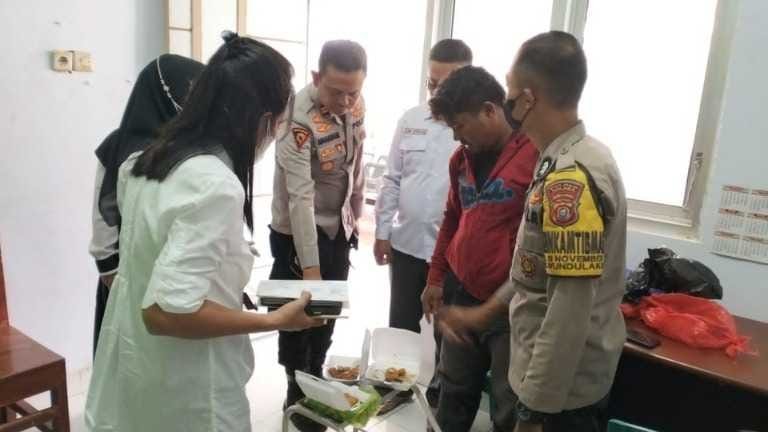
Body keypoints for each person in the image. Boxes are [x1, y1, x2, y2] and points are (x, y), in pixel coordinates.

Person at [85, 33, 323, 432]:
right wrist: (275, 320)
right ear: (262, 118)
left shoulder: (146, 162)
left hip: (139, 364)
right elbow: (164, 311)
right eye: (280, 120)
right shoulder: (215, 184)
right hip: (193, 382)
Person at [439, 31, 628, 432]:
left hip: (560, 401)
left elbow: (568, 311)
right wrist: (482, 314)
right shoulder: (561, 159)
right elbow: (534, 274)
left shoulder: (571, 180)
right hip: (550, 382)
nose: (507, 102)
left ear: (527, 99)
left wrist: (534, 411)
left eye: (509, 91)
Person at [425, 66, 539, 432]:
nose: (458, 137)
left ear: (490, 110)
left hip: (510, 304)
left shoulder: (536, 156)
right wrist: (435, 278)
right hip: (460, 294)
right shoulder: (460, 160)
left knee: (508, 405)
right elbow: (451, 219)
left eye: (460, 125)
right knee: (452, 394)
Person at [268, 39, 367, 432]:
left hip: (337, 227)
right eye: (336, 91)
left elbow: (355, 166)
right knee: (297, 316)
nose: (345, 101)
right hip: (297, 232)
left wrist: (355, 218)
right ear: (315, 78)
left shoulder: (357, 104)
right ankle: (295, 386)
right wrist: (310, 268)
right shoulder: (296, 121)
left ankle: (316, 373)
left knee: (328, 311)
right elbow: (300, 198)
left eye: (353, 92)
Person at [373, 38, 472, 410]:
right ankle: (396, 388)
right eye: (432, 83)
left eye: (445, 84)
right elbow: (392, 178)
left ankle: (439, 396)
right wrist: (383, 232)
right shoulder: (411, 119)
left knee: (448, 329)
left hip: (454, 252)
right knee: (401, 321)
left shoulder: (474, 128)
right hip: (408, 243)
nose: (436, 91)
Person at [88, 54, 204, 354]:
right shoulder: (119, 146)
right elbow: (104, 221)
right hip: (126, 279)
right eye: (190, 93)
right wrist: (118, 283)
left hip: (174, 280)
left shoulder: (190, 147)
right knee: (127, 364)